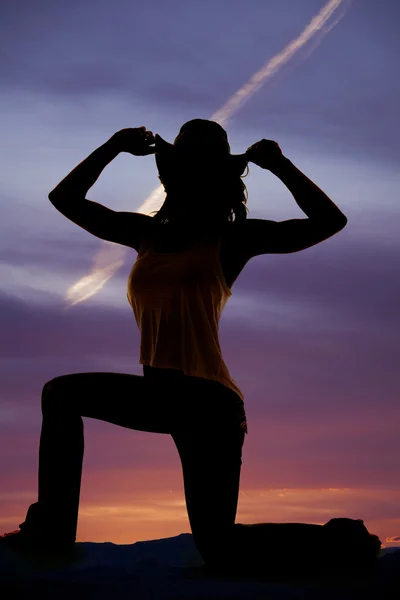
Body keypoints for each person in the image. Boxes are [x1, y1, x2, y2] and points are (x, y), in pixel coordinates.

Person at [0, 119, 348, 570]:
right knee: (61, 395)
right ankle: (52, 532)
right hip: (163, 393)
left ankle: (343, 541)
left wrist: (280, 166)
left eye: (202, 168)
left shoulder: (232, 239)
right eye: (183, 166)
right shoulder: (145, 235)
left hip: (210, 403)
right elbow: (64, 199)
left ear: (218, 178)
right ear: (169, 176)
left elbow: (329, 221)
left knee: (218, 549)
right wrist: (111, 147)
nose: (189, 177)